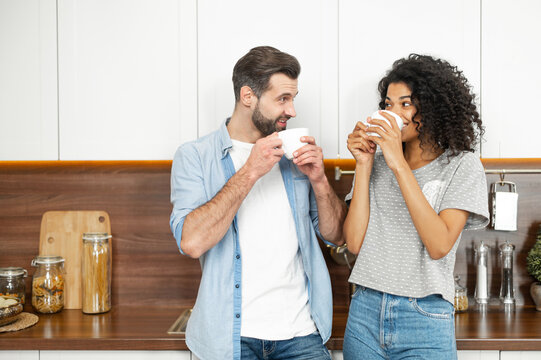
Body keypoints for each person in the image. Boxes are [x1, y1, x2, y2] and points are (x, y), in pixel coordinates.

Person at [170, 46, 347, 360]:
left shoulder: (293, 155)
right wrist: (250, 170)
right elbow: (192, 242)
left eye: (293, 98)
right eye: (282, 99)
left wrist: (319, 180)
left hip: (302, 336)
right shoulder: (195, 156)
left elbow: (336, 235)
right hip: (229, 340)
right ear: (247, 96)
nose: (291, 111)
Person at [342, 54, 489, 359]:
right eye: (388, 104)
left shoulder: (462, 166)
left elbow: (439, 245)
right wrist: (365, 164)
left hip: (425, 317)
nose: (393, 113)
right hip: (365, 310)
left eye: (405, 104)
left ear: (432, 107)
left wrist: (398, 163)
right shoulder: (377, 162)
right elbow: (354, 242)